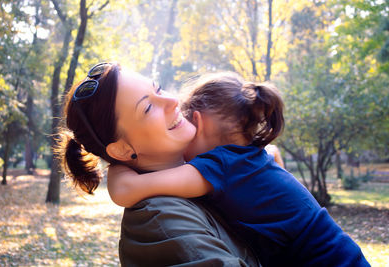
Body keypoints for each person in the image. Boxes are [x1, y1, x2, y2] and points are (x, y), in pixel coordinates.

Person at [107, 72, 370, 267]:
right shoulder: (249, 159)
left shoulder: (219, 166)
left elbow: (127, 191)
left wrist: (116, 166)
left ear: (197, 121)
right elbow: (273, 155)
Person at [58, 63, 260, 266]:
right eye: (148, 107)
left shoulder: (209, 167)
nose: (172, 100)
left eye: (159, 89)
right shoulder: (159, 218)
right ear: (122, 149)